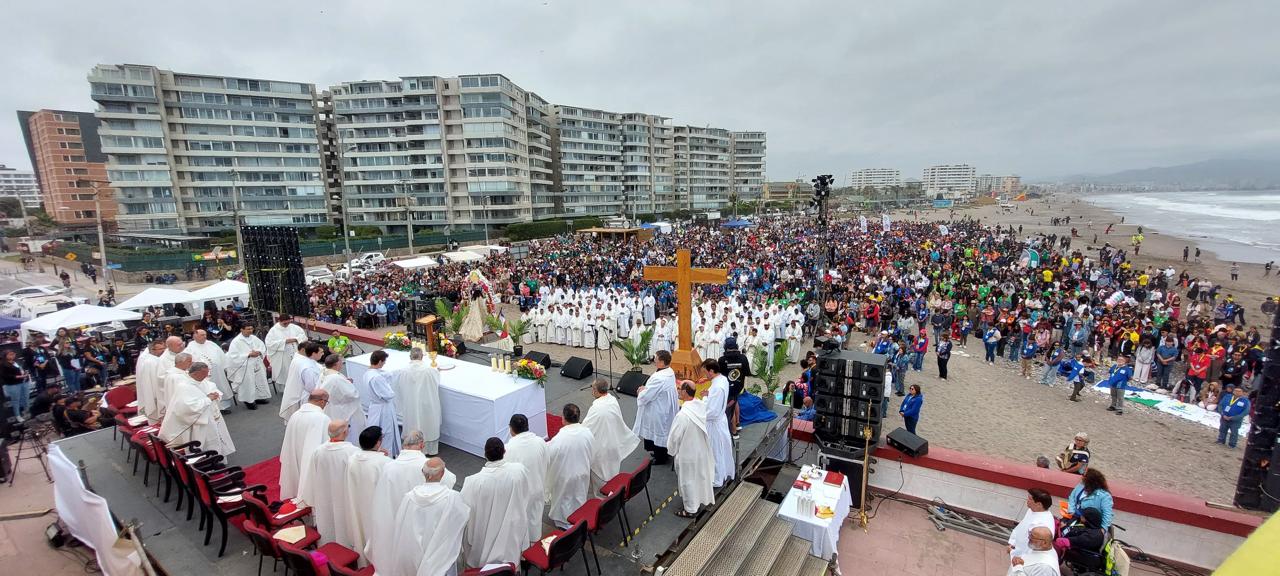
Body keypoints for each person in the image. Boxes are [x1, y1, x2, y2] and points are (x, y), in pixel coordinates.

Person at [370, 457, 470, 576]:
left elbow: (400, 525)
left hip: (412, 550)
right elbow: (461, 518)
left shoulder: (409, 497)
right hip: (437, 551)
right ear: (442, 473)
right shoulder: (451, 498)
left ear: (423, 472)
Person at [461, 437, 536, 568]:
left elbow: (464, 511)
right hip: (511, 530)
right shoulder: (519, 471)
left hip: (484, 532)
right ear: (504, 451)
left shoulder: (473, 482)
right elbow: (526, 495)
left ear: (485, 454)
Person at [299, 419, 361, 547]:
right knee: (346, 529)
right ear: (345, 432)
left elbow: (311, 477)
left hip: (325, 498)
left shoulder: (318, 451)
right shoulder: (353, 453)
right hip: (345, 498)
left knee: (328, 526)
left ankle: (329, 548)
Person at [158, 362, 236, 457]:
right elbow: (188, 407)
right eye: (204, 373)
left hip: (212, 417)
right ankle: (208, 461)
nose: (207, 376)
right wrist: (208, 399)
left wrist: (216, 394)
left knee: (217, 440)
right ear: (195, 373)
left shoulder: (202, 381)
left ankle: (219, 458)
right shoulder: (184, 386)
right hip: (199, 423)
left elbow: (212, 388)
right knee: (207, 443)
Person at [582, 379, 640, 492]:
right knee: (612, 473)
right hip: (613, 441)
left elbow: (587, 428)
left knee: (601, 479)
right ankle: (615, 494)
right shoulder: (612, 400)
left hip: (602, 448)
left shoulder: (596, 408)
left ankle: (604, 499)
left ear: (595, 390)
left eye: (592, 388)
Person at [668, 381, 715, 518]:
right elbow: (705, 402)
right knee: (699, 477)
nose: (678, 390)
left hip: (687, 453)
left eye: (679, 388)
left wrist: (672, 450)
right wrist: (705, 396)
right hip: (701, 450)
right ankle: (698, 501)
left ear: (684, 392)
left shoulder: (683, 415)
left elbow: (675, 437)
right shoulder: (700, 406)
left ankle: (690, 509)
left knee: (688, 481)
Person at [345, 426, 391, 561]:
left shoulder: (352, 459)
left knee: (359, 531)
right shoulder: (385, 462)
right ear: (378, 442)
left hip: (356, 503)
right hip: (376, 507)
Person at [545, 403, 594, 530]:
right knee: (578, 496)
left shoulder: (560, 438)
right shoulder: (587, 432)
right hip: (582, 471)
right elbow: (592, 450)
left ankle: (564, 522)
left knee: (564, 500)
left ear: (564, 418)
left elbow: (549, 455)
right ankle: (578, 517)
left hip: (565, 475)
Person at [279, 390, 332, 501]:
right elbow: (327, 446)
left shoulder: (295, 415)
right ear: (322, 401)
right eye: (327, 402)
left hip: (296, 453)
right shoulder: (322, 418)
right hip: (311, 460)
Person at [503, 414, 548, 544]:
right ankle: (534, 543)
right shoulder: (540, 442)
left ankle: (524, 549)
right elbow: (546, 461)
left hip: (521, 493)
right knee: (535, 518)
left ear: (511, 429)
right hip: (537, 486)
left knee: (521, 522)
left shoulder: (508, 449)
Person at [395, 348, 443, 455]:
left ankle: (412, 447)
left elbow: (399, 386)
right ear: (422, 356)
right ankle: (429, 449)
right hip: (425, 403)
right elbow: (436, 381)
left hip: (411, 402)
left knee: (413, 422)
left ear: (410, 357)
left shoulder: (403, 371)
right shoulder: (429, 370)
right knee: (427, 423)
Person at [634, 350, 678, 465]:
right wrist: (646, 389)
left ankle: (660, 458)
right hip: (665, 406)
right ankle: (662, 453)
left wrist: (641, 391)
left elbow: (647, 395)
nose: (654, 360)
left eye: (656, 359)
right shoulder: (669, 371)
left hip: (659, 409)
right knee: (663, 430)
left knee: (658, 431)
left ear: (662, 362)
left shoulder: (659, 378)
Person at [698, 360, 736, 488]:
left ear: (711, 371)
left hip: (714, 423)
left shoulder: (717, 387)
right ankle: (722, 473)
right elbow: (716, 400)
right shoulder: (722, 379)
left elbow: (712, 411)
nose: (705, 376)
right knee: (720, 450)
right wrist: (708, 394)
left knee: (715, 451)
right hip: (719, 420)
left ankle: (717, 478)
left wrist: (702, 401)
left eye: (705, 372)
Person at [317, 354, 366, 445]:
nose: (342, 363)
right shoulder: (336, 378)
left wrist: (345, 382)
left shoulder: (325, 373)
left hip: (330, 407)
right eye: (340, 361)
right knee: (348, 432)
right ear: (336, 364)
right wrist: (349, 384)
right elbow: (353, 394)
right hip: (339, 409)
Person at [361, 350, 401, 458]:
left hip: (374, 406)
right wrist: (391, 390)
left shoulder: (368, 373)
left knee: (376, 429)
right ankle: (386, 456)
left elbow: (385, 374)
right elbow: (388, 395)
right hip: (383, 408)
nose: (384, 364)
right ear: (379, 361)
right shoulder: (377, 377)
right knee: (386, 432)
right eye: (384, 361)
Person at [1008, 488, 1056, 574]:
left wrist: (1017, 555)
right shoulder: (1032, 510)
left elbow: (1035, 546)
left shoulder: (1043, 525)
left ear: (1039, 504)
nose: (1027, 500)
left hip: (1024, 561)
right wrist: (1012, 543)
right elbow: (1021, 527)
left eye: (1030, 499)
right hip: (1017, 555)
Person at [185, 329, 233, 412]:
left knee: (220, 387)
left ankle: (223, 406)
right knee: (209, 390)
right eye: (202, 335)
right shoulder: (190, 348)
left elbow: (221, 355)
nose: (205, 337)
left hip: (217, 372)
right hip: (204, 375)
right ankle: (213, 409)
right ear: (195, 336)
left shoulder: (211, 344)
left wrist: (226, 367)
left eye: (205, 335)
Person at [227, 324, 270, 408]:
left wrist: (259, 352)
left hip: (257, 363)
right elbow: (233, 356)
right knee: (248, 383)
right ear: (241, 330)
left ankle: (259, 397)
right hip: (245, 367)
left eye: (251, 328)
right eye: (248, 329)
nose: (250, 331)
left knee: (259, 380)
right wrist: (248, 354)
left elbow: (262, 346)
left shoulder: (254, 338)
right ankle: (249, 401)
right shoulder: (236, 341)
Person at [279, 341, 325, 420]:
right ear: (313, 353)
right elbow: (311, 388)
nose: (323, 354)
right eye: (321, 352)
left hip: (298, 392)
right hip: (306, 398)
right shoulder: (307, 367)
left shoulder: (300, 358)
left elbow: (318, 366)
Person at [1056, 508, 1107, 573]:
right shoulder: (1093, 528)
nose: (1080, 516)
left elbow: (1069, 541)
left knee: (1057, 545)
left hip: (1087, 556)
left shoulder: (1091, 536)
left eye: (1082, 516)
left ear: (1087, 519)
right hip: (1088, 549)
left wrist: (1062, 531)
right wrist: (1064, 527)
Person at [718, 337, 751, 437]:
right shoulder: (743, 358)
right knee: (735, 401)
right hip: (739, 386)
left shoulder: (722, 360)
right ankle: (737, 423)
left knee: (729, 408)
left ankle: (734, 432)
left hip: (728, 388)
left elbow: (719, 375)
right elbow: (747, 373)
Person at [265, 315, 306, 392]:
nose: (287, 325)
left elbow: (303, 336)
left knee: (297, 371)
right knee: (286, 373)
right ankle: (287, 391)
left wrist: (296, 339)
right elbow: (269, 344)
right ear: (279, 321)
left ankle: (300, 388)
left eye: (288, 322)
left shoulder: (294, 327)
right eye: (285, 323)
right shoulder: (273, 331)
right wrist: (285, 341)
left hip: (296, 353)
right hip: (282, 356)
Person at [135, 340, 168, 423]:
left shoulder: (153, 360)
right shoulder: (151, 362)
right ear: (152, 350)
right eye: (160, 349)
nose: (163, 351)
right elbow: (155, 381)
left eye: (164, 348)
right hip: (156, 396)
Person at [0, 350, 28, 420]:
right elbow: (5, 376)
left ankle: (25, 411)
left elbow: (21, 369)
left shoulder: (16, 362)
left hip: (23, 382)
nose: (12, 355)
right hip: (13, 384)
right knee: (16, 400)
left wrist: (25, 373)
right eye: (10, 354)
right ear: (5, 356)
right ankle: (17, 415)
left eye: (13, 354)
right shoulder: (3, 364)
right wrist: (19, 376)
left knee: (24, 398)